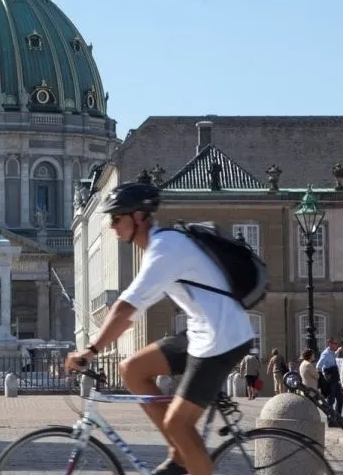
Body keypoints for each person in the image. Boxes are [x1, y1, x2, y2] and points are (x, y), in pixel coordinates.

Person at [64, 182, 254, 475]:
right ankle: (180, 455)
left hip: (223, 338)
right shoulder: (159, 246)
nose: (112, 226)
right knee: (132, 369)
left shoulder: (165, 249)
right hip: (202, 332)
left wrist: (90, 351)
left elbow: (127, 309)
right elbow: (131, 309)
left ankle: (186, 452)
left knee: (177, 423)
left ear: (138, 217)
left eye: (117, 218)